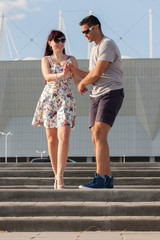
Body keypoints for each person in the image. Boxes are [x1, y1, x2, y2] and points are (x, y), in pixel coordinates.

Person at [68, 15, 124, 189]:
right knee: (95, 137)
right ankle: (106, 178)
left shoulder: (107, 44)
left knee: (99, 133)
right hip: (96, 95)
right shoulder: (95, 49)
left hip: (111, 92)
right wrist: (75, 71)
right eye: (82, 32)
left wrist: (84, 82)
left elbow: (97, 73)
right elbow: (91, 74)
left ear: (96, 28)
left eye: (86, 31)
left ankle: (100, 177)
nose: (84, 35)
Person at [32, 30, 87, 189]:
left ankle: (60, 177)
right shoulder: (46, 59)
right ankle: (56, 176)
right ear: (50, 42)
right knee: (52, 139)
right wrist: (62, 74)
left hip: (66, 100)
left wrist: (81, 86)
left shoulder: (71, 60)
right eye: (57, 40)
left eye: (62, 39)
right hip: (49, 100)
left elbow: (76, 80)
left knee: (64, 136)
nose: (60, 42)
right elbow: (47, 77)